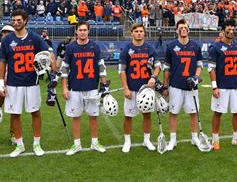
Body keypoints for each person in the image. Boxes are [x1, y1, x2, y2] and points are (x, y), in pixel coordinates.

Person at [0, 9, 57, 158]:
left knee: (35, 112)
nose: (16, 23)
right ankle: (20, 144)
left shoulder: (35, 39)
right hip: (13, 83)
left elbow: (49, 54)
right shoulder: (7, 40)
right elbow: (2, 62)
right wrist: (0, 82)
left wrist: (51, 68)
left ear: (25, 21)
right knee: (14, 114)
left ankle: (36, 143)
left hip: (32, 81)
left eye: (19, 20)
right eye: (14, 20)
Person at [61, 22, 109, 155]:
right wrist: (64, 87)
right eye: (80, 30)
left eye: (85, 30)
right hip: (75, 87)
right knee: (76, 117)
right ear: (76, 32)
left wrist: (104, 85)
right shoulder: (70, 47)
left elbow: (101, 66)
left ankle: (95, 142)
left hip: (92, 86)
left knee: (93, 116)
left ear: (88, 31)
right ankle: (77, 144)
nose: (82, 32)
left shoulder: (94, 46)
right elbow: (65, 68)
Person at [162, 19, 204, 151]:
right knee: (173, 112)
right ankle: (173, 140)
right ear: (176, 30)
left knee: (193, 112)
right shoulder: (170, 46)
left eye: (185, 27)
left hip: (191, 86)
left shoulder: (196, 46)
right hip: (175, 85)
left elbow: (199, 65)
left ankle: (194, 137)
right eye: (181, 28)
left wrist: (196, 77)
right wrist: (165, 86)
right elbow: (166, 68)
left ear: (188, 30)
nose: (183, 29)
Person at [119, 23, 161, 153]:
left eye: (141, 31)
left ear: (144, 33)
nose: (138, 33)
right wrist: (125, 88)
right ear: (132, 33)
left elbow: (158, 66)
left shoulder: (150, 48)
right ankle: (127, 141)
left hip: (146, 89)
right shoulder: (127, 49)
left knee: (147, 115)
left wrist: (153, 77)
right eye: (136, 31)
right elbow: (122, 71)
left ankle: (146, 140)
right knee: (128, 116)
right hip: (131, 89)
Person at [209, 20, 237, 150]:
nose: (231, 32)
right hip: (222, 86)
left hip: (236, 85)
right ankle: (215, 140)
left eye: (233, 29)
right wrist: (214, 86)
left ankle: (236, 138)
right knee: (218, 112)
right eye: (228, 29)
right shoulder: (216, 47)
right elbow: (211, 69)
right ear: (223, 31)